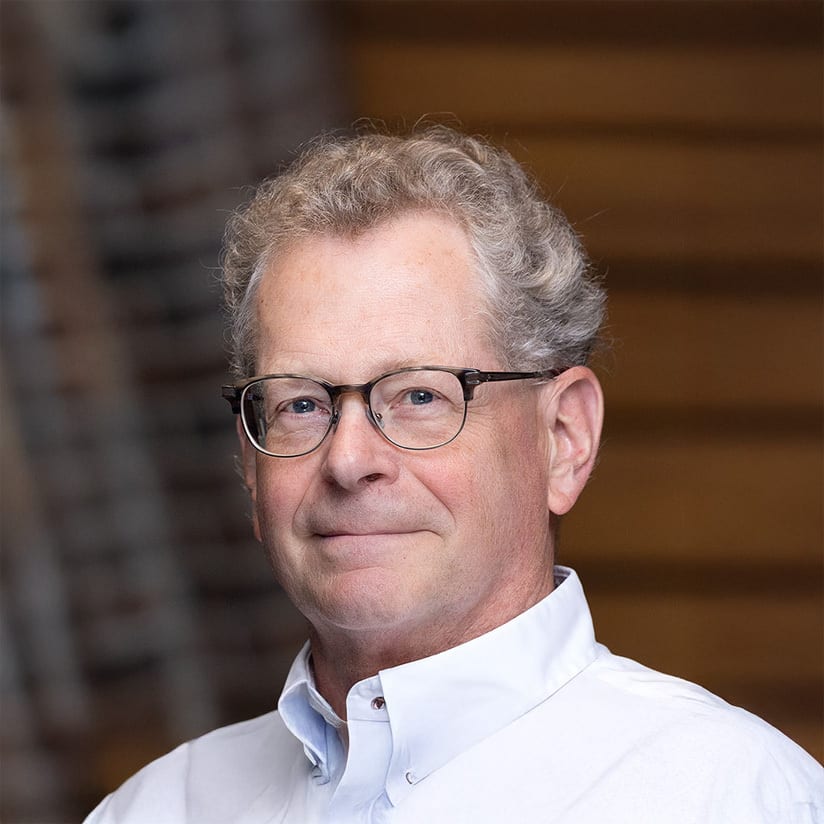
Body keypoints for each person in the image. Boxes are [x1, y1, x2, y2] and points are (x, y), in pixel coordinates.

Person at [85, 125, 823, 823]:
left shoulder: (725, 796)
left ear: (563, 438)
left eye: (418, 397)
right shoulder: (157, 809)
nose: (348, 460)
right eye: (302, 404)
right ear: (249, 465)